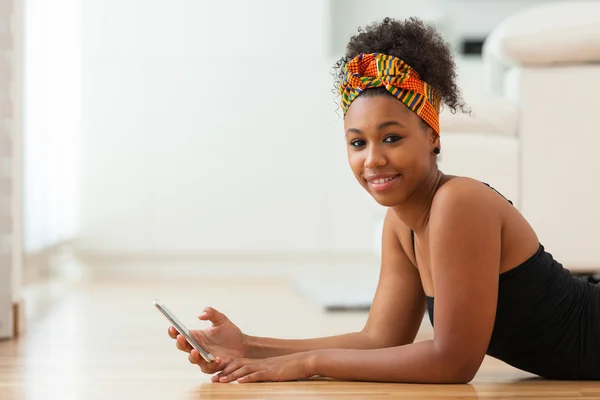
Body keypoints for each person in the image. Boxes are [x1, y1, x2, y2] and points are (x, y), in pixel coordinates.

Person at [168, 17, 600, 383]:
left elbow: (453, 361)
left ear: (432, 137)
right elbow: (380, 339)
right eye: (357, 143)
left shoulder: (459, 203)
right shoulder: (402, 224)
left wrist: (307, 364)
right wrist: (251, 346)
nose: (373, 159)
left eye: (392, 137)